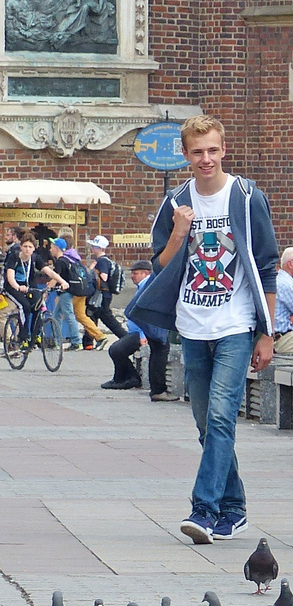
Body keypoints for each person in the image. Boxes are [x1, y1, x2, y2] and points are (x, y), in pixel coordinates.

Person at [126, 114, 280, 545]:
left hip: (235, 323)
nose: (206, 158)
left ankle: (204, 509)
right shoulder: (176, 200)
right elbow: (157, 263)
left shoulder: (246, 196)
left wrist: (266, 333)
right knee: (204, 422)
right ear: (185, 155)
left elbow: (266, 266)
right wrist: (179, 231)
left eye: (212, 150)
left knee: (220, 415)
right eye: (197, 152)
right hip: (192, 324)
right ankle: (234, 509)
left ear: (223, 149)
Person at [102, 261, 175, 399]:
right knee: (120, 350)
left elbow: (139, 311)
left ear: (145, 273)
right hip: (145, 330)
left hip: (146, 331)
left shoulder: (148, 285)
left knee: (121, 350)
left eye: (136, 273)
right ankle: (127, 378)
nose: (133, 277)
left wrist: (143, 334)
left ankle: (135, 380)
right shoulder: (146, 285)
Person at [50, 233, 108, 349]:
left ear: (57, 248)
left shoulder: (62, 260)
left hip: (69, 292)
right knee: (79, 316)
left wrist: (48, 289)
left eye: (51, 247)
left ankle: (74, 342)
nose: (50, 249)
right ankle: (100, 336)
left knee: (67, 315)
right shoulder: (74, 257)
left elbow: (55, 276)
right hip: (81, 290)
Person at [86, 235, 129, 341]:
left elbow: (104, 277)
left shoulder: (102, 261)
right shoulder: (108, 260)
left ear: (100, 248)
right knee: (92, 315)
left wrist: (92, 270)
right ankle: (88, 341)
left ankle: (126, 338)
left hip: (101, 295)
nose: (92, 248)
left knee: (107, 318)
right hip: (104, 294)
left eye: (94, 246)